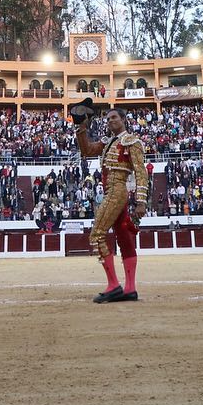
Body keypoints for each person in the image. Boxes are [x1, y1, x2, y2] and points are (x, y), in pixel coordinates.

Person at [71, 99, 149, 303]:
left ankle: (114, 285)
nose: (110, 121)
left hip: (117, 190)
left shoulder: (132, 141)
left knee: (96, 234)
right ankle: (130, 288)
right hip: (110, 191)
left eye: (114, 117)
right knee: (123, 236)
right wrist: (81, 126)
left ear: (123, 119)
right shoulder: (108, 143)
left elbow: (141, 173)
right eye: (107, 118)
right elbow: (87, 150)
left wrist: (141, 200)